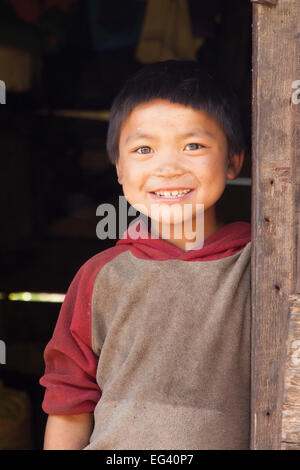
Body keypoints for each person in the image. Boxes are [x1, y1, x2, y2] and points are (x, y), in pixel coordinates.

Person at [40, 60, 251, 450]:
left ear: (233, 160)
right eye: (143, 149)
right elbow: (69, 402)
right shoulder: (101, 276)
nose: (168, 167)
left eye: (193, 145)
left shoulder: (262, 265)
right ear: (120, 169)